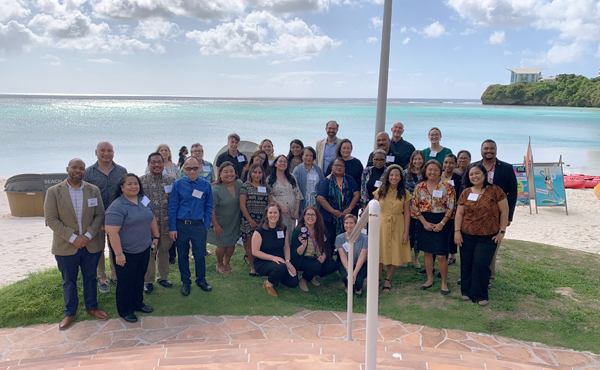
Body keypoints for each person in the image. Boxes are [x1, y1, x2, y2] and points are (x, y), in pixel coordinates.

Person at [44, 158, 109, 330]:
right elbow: (51, 219)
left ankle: (92, 307)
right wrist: (74, 238)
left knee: (90, 278)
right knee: (69, 281)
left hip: (90, 243)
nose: (77, 171)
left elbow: (99, 215)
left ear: (85, 171)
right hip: (65, 246)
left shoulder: (93, 190)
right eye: (74, 167)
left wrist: (87, 236)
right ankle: (70, 312)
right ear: (68, 169)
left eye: (81, 168)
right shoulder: (53, 192)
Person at [105, 173, 159, 323]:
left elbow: (152, 217)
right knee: (126, 282)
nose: (134, 186)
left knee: (139, 278)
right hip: (126, 252)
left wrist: (156, 237)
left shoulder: (144, 200)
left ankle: (138, 303)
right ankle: (125, 310)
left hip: (143, 248)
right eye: (129, 184)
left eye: (136, 183)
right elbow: (112, 232)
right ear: (121, 188)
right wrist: (119, 254)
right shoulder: (117, 206)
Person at [455, 163, 509, 306]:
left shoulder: (495, 191)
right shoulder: (466, 192)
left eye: (477, 173)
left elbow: (504, 211)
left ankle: (480, 294)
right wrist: (457, 232)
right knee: (466, 263)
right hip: (467, 234)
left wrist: (502, 231)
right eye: (471, 174)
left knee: (481, 264)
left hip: (488, 235)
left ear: (484, 174)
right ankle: (466, 291)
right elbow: (459, 213)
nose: (474, 176)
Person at [471, 139, 518, 287]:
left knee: (492, 248)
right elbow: (465, 189)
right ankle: (471, 275)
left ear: (496, 150)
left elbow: (513, 194)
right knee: (472, 247)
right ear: (481, 151)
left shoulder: (506, 168)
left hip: (497, 216)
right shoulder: (474, 167)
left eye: (491, 148)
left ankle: (489, 277)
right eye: (486, 149)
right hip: (474, 216)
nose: (488, 151)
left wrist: (508, 217)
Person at [83, 141, 127, 293]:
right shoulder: (88, 173)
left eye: (109, 150)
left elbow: (126, 193)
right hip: (96, 218)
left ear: (113, 153)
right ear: (96, 152)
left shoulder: (122, 171)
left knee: (115, 247)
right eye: (102, 150)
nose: (106, 153)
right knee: (98, 249)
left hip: (117, 218)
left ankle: (115, 274)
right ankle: (102, 277)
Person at [168, 156, 214, 296]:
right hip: (181, 225)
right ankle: (185, 282)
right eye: (189, 168)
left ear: (199, 168)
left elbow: (209, 205)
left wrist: (206, 224)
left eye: (195, 168)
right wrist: (172, 227)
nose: (192, 171)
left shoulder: (205, 185)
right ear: (184, 169)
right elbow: (173, 206)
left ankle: (201, 280)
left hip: (198, 226)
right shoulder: (178, 184)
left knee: (199, 255)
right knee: (182, 255)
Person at [411, 160, 456, 295]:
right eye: (430, 169)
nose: (432, 172)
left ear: (440, 171)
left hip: (442, 221)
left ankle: (444, 282)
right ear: (425, 171)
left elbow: (451, 207)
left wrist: (442, 224)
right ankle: (429, 279)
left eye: (435, 170)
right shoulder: (420, 187)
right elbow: (415, 206)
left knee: (441, 255)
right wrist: (424, 222)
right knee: (427, 252)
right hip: (424, 221)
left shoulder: (447, 187)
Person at [140, 152, 176, 293]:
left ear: (163, 163)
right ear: (148, 164)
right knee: (149, 252)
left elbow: (175, 202)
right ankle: (148, 280)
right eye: (153, 162)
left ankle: (163, 277)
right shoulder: (141, 182)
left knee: (164, 251)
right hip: (148, 225)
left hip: (167, 223)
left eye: (159, 162)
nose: (156, 165)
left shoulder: (171, 180)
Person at [373, 165, 412, 293]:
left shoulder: (405, 193)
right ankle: (377, 279)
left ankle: (387, 280)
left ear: (401, 178)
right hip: (382, 223)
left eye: (397, 175)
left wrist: (406, 232)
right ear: (387, 177)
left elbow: (407, 213)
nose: (394, 177)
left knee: (394, 251)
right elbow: (373, 208)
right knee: (380, 251)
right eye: (391, 175)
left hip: (397, 223)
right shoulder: (380, 191)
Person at [251, 203, 299, 297]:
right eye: (270, 213)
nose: (273, 215)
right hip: (263, 262)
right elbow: (255, 251)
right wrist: (273, 258)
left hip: (280, 261)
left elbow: (286, 247)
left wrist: (288, 262)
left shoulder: (283, 228)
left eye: (275, 213)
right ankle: (268, 283)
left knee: (293, 282)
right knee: (281, 267)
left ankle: (277, 277)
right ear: (266, 215)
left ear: (279, 214)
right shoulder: (259, 231)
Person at [317, 157, 360, 251]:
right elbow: (320, 197)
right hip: (330, 217)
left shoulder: (349, 179)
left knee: (348, 240)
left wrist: (349, 209)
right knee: (329, 241)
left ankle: (344, 261)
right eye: (336, 165)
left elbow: (356, 194)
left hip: (347, 216)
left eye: (341, 165)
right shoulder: (327, 180)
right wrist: (333, 211)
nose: (339, 167)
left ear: (345, 168)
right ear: (331, 167)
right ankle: (329, 262)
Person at [290, 207, 337, 292]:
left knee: (332, 266)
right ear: (304, 216)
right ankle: (303, 278)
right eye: (308, 214)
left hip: (318, 257)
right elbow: (294, 254)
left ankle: (312, 275)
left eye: (313, 215)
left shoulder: (321, 229)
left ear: (317, 217)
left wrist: (324, 255)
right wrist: (303, 246)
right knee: (316, 266)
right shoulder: (299, 231)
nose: (310, 217)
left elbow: (327, 247)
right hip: (303, 258)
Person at [208, 161, 243, 274]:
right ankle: (219, 264)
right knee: (222, 244)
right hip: (220, 221)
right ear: (220, 175)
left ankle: (227, 263)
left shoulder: (239, 184)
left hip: (234, 220)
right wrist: (215, 225)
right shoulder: (215, 189)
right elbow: (211, 208)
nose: (229, 174)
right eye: (226, 172)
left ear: (235, 173)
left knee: (231, 243)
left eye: (231, 171)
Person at [240, 162, 273, 276]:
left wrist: (265, 220)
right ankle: (253, 267)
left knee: (262, 244)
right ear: (250, 173)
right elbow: (242, 205)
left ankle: (262, 265)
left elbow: (270, 204)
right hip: (249, 220)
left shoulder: (266, 187)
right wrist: (250, 221)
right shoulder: (246, 186)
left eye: (259, 172)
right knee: (250, 244)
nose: (257, 175)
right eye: (255, 172)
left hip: (263, 221)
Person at [335, 214, 368, 297]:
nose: (348, 225)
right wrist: (349, 272)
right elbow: (342, 256)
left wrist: (354, 273)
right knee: (345, 277)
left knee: (358, 280)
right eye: (346, 223)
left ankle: (358, 289)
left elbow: (362, 256)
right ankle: (347, 287)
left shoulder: (365, 238)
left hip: (360, 263)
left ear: (356, 224)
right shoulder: (339, 238)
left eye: (351, 223)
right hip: (346, 263)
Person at [269, 155, 303, 234]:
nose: (283, 163)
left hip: (291, 213)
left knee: (290, 232)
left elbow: (297, 194)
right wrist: (280, 205)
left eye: (285, 162)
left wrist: (296, 210)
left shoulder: (291, 177)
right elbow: (269, 196)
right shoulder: (270, 179)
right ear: (275, 164)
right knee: (280, 232)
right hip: (278, 212)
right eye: (280, 161)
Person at [404, 150, 425, 268]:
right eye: (415, 159)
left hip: (421, 209)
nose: (417, 161)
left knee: (418, 234)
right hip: (407, 208)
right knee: (406, 232)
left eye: (419, 159)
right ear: (412, 160)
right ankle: (405, 257)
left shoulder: (426, 174)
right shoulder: (405, 173)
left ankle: (416, 259)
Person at [441, 154, 462, 265]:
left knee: (450, 235)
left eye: (451, 163)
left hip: (452, 211)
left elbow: (460, 195)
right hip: (438, 211)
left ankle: (451, 256)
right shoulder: (438, 175)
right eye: (446, 162)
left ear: (455, 164)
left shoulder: (459, 178)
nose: (448, 165)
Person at [292, 146, 325, 216]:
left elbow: (322, 185)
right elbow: (294, 187)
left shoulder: (318, 170)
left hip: (315, 202)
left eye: (311, 156)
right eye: (306, 155)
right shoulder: (297, 170)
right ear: (302, 156)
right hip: (303, 201)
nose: (309, 158)